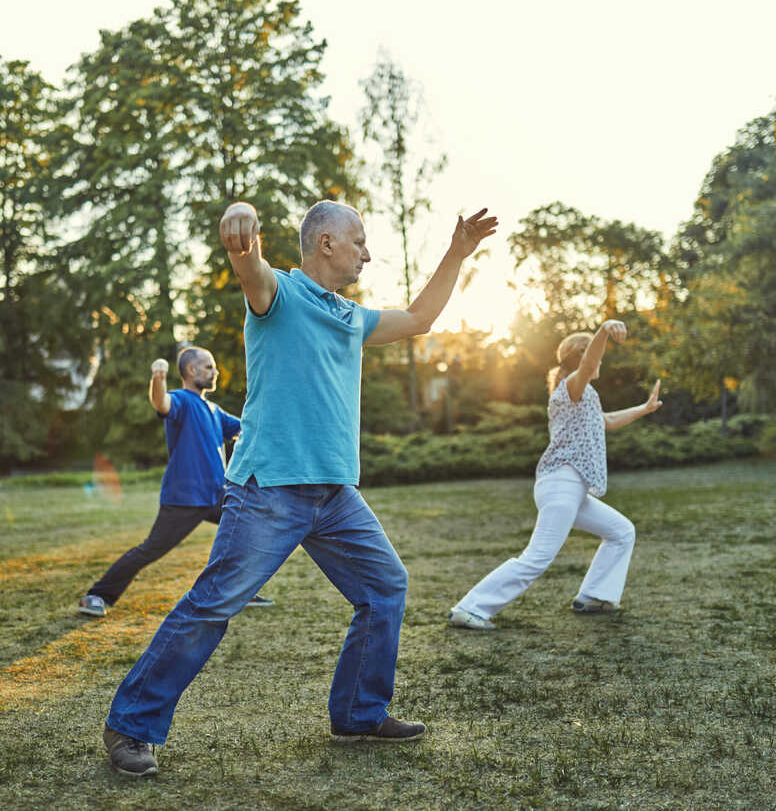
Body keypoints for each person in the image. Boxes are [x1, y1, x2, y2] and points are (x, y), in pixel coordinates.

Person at [101, 199, 497, 777]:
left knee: (385, 586)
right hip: (268, 491)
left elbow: (419, 318)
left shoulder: (351, 315)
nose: (368, 251)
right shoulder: (279, 296)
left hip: (336, 496)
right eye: (358, 240)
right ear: (326, 243)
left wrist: (458, 252)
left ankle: (361, 712)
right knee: (213, 605)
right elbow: (249, 269)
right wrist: (241, 224)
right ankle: (130, 726)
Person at [447, 321, 662, 630]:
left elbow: (608, 420)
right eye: (595, 355)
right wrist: (603, 331)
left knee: (621, 531)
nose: (600, 361)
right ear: (581, 356)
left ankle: (594, 596)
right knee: (536, 558)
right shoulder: (570, 389)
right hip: (562, 484)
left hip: (573, 489)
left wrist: (644, 408)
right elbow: (589, 364)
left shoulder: (586, 395)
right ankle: (470, 608)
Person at [76, 346, 273, 617]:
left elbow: (247, 429)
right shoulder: (182, 400)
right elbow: (161, 404)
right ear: (191, 371)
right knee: (150, 550)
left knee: (251, 526)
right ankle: (96, 596)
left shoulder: (214, 410)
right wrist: (158, 377)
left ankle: (236, 590)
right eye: (209, 367)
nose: (215, 372)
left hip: (217, 495)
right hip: (185, 498)